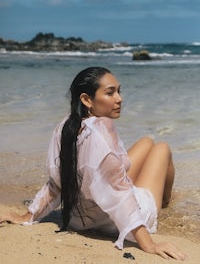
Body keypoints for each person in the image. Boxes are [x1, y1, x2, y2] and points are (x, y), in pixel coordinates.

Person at [0, 67, 187, 260]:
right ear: (87, 100)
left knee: (147, 142)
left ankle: (156, 196)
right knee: (162, 148)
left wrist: (28, 216)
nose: (119, 98)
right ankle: (163, 202)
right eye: (110, 92)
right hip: (110, 222)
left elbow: (57, 181)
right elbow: (120, 194)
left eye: (118, 91)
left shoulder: (65, 127)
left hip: (78, 219)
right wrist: (149, 244)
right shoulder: (103, 129)